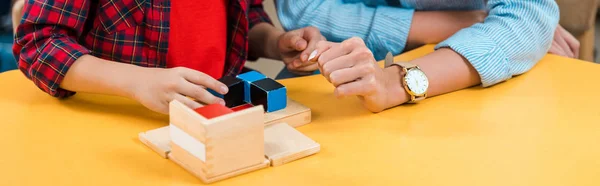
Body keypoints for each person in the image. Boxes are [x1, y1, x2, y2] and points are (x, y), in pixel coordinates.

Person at [13, 0, 323, 114]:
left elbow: (246, 16)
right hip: (115, 118)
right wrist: (138, 82)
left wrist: (274, 41)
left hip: (215, 111)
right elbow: (38, 44)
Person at [277, 0, 567, 112]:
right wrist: (464, 21)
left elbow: (530, 13)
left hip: (469, 87)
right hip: (328, 81)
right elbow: (303, 9)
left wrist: (394, 83)